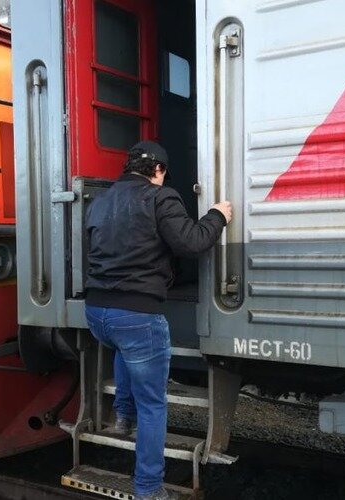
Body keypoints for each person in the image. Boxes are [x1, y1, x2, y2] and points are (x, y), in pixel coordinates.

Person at [84, 141, 232, 500]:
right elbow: (192, 242)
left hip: (97, 312)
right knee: (154, 404)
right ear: (159, 171)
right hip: (135, 314)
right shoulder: (160, 197)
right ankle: (148, 490)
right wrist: (218, 215)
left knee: (122, 346)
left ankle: (122, 413)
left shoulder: (100, 201)